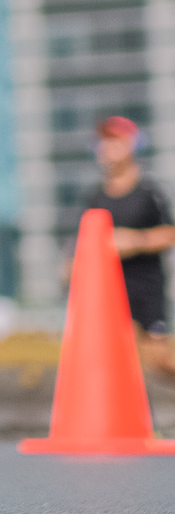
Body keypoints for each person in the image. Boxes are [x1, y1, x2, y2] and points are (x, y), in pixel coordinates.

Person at [83, 115, 175, 380]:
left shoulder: (149, 192)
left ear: (131, 146)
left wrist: (136, 241)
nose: (106, 148)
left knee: (159, 359)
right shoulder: (95, 197)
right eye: (103, 142)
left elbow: (170, 233)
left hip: (147, 288)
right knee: (120, 359)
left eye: (114, 142)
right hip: (110, 289)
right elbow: (86, 239)